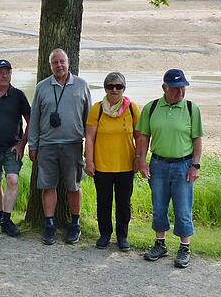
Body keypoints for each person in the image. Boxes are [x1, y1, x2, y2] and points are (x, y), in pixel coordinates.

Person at [136, 69, 203, 269]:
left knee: (183, 208)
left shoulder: (191, 109)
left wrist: (195, 165)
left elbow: (197, 139)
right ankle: (160, 244)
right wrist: (141, 160)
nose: (180, 92)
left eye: (183, 88)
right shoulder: (152, 107)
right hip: (158, 164)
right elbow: (144, 137)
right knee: (159, 206)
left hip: (184, 164)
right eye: (175, 89)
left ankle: (184, 248)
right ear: (164, 88)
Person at [28, 48, 91, 245]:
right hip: (47, 145)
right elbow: (35, 118)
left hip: (72, 145)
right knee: (48, 186)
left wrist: (90, 148)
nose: (59, 65)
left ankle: (75, 223)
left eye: (62, 61)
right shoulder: (41, 87)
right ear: (50, 65)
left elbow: (89, 119)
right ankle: (49, 225)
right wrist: (33, 144)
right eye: (55, 62)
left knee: (73, 186)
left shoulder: (81, 85)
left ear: (68, 62)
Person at [84, 72, 140, 251]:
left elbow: (140, 137)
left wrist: (139, 159)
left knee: (124, 204)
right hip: (102, 165)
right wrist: (89, 162)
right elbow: (90, 138)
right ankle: (104, 235)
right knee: (104, 202)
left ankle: (122, 236)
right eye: (110, 86)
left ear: (124, 88)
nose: (114, 90)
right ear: (105, 88)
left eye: (118, 86)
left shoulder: (132, 108)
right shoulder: (97, 109)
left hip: (126, 165)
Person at [0, 59, 30, 237]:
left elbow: (30, 121)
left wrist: (22, 144)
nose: (4, 75)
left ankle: (7, 221)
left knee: (12, 180)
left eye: (7, 72)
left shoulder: (18, 95)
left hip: (11, 148)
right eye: (0, 72)